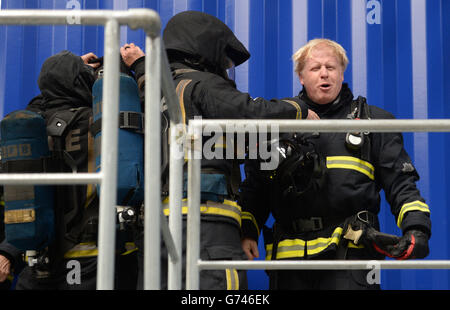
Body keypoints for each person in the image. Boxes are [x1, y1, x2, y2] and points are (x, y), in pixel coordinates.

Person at [119, 10, 319, 290]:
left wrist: (138, 63)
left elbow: (219, 144)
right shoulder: (200, 83)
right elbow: (249, 112)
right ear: (201, 49)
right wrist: (297, 109)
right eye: (224, 59)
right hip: (205, 222)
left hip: (158, 225)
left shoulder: (157, 89)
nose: (226, 68)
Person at [239, 38, 431, 290]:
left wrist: (416, 228)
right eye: (315, 68)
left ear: (342, 73)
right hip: (290, 264)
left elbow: (401, 183)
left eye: (331, 67)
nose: (324, 74)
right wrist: (247, 231)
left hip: (351, 258)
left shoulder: (374, 122)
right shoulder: (277, 124)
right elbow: (256, 189)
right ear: (301, 76)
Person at [0, 50, 138, 290]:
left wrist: (59, 74)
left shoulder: (32, 134)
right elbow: (129, 105)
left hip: (42, 265)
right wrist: (118, 70)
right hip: (100, 261)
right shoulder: (99, 122)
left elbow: (45, 103)